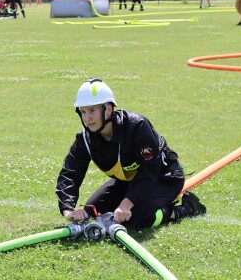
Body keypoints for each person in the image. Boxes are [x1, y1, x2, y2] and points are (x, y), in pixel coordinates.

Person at [56, 79, 206, 229]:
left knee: (137, 218)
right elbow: (70, 173)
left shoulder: (137, 126)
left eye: (92, 110)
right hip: (129, 181)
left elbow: (150, 170)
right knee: (91, 212)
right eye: (83, 111)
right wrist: (68, 210)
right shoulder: (84, 139)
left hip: (163, 177)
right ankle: (141, 202)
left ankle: (185, 209)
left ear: (108, 109)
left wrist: (126, 204)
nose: (87, 118)